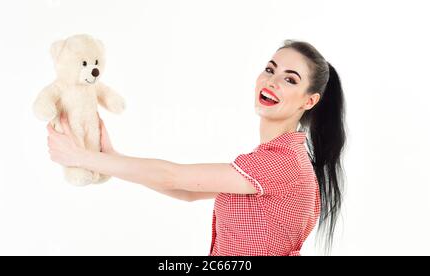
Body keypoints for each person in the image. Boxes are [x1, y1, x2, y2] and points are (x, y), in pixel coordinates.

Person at [46, 39, 346, 256]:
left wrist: (82, 157)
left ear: (309, 101)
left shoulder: (281, 162)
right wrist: (111, 158)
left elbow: (171, 177)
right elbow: (186, 192)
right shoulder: (271, 160)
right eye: (270, 69)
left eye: (290, 79)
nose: (273, 81)